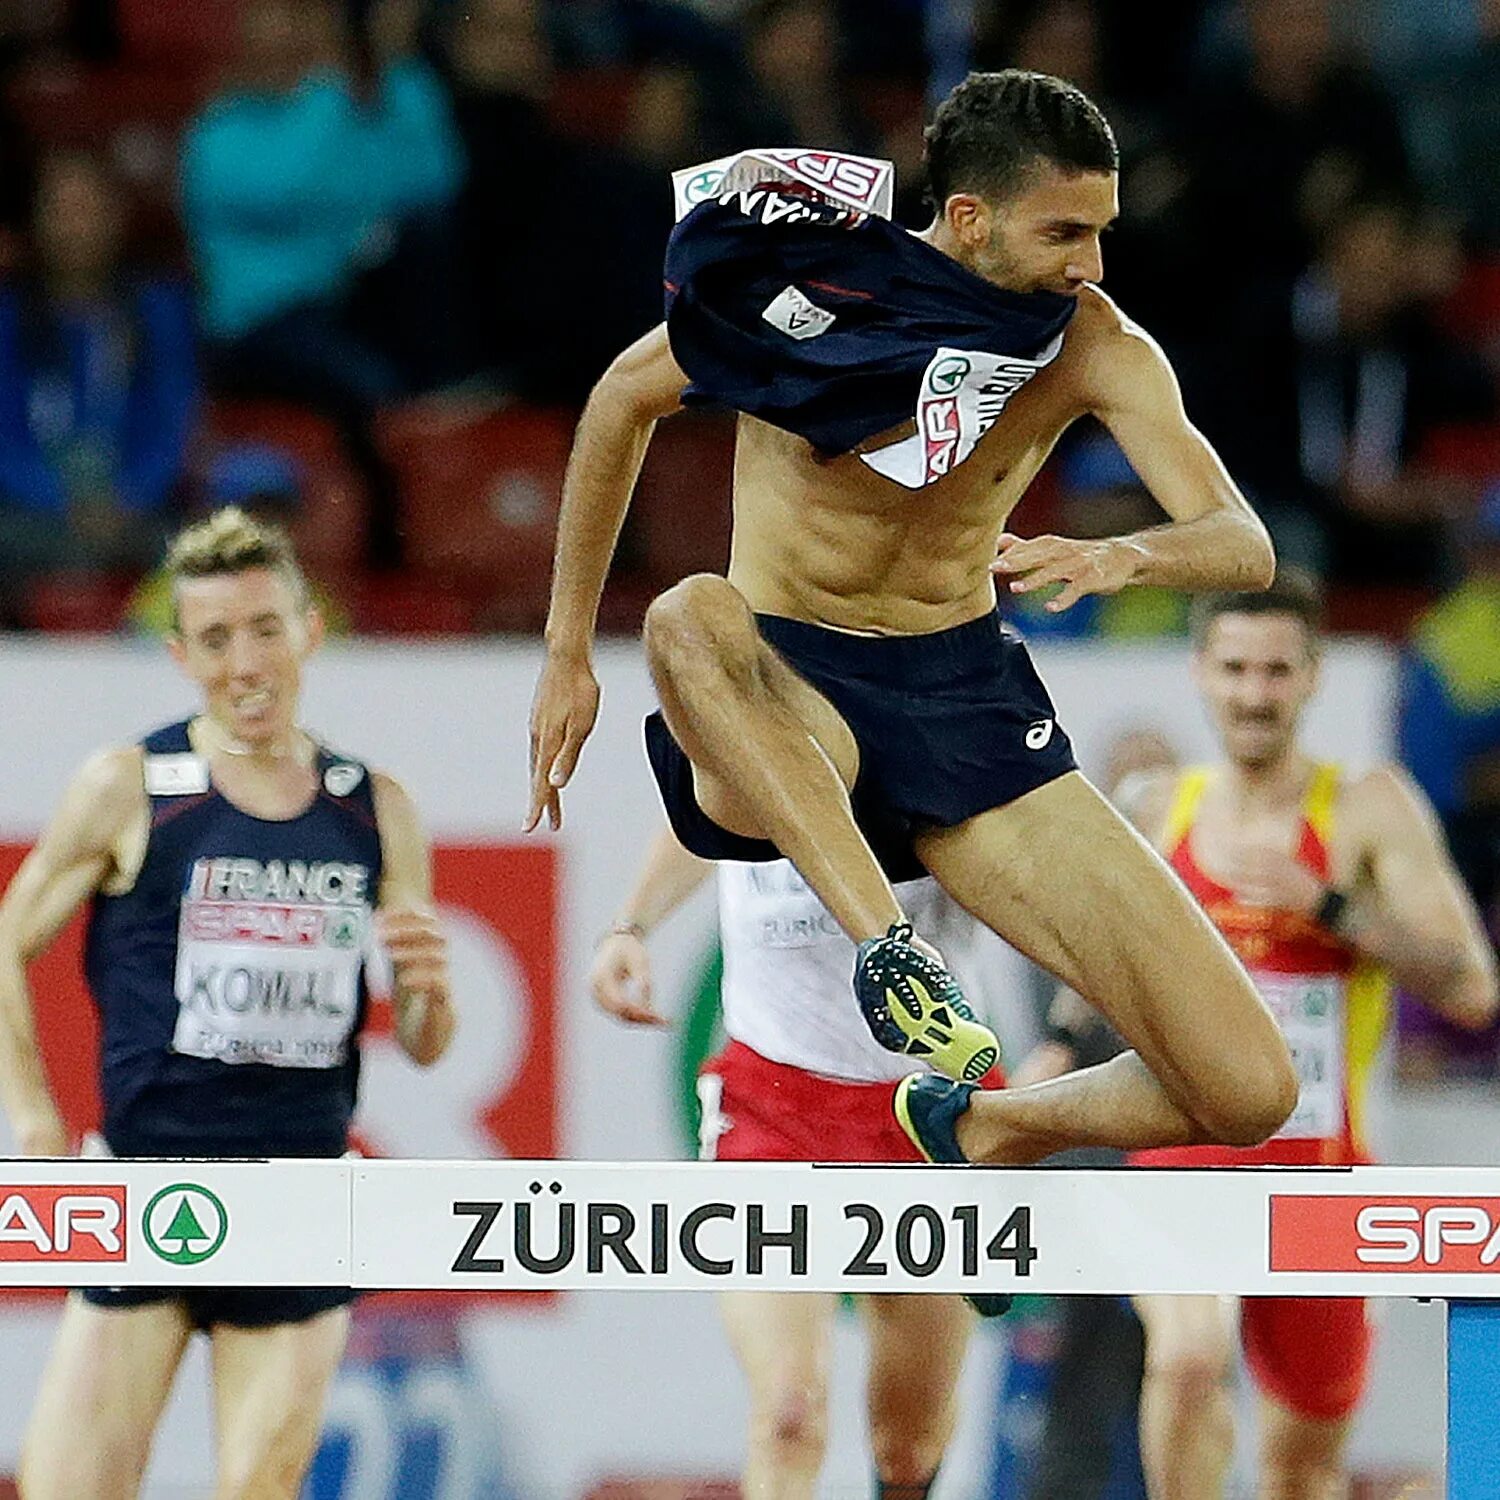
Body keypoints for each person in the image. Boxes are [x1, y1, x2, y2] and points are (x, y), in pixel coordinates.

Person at [530, 68, 1298, 1168]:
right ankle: (889, 950)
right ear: (970, 218)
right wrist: (566, 651)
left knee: (1248, 1089)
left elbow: (1244, 544)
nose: (1091, 263)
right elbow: (619, 400)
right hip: (789, 693)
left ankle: (982, 1124)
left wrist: (1117, 553)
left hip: (963, 701)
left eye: (1102, 231)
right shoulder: (815, 285)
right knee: (688, 615)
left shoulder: (1092, 341)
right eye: (1065, 232)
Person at [0, 507, 455, 1500]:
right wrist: (30, 1104)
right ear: (178, 653)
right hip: (149, 1189)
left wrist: (425, 990)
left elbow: (424, 1046)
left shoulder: (372, 805)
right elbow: (5, 937)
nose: (245, 662)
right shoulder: (133, 785)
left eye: (263, 630)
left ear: (310, 631)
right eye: (214, 639)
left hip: (301, 1198)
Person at [1104, 571, 1493, 1500]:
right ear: (1200, 672)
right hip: (1182, 1162)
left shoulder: (1364, 806)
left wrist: (1328, 905)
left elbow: (1473, 988)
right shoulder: (1161, 808)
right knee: (1189, 1363)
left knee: (1300, 1470)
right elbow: (1096, 972)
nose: (1254, 693)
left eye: (1277, 671)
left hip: (1320, 1170)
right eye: (1235, 668)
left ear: (1313, 677)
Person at [591, 825, 1005, 1499]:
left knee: (907, 1448)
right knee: (788, 1415)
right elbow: (699, 801)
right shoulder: (745, 721)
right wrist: (629, 924)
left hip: (931, 1107)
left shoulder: (942, 719)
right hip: (774, 1104)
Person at [0, 150, 197, 611]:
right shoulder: (8, 318)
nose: (75, 227)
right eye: (62, 211)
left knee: (200, 554)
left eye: (87, 209)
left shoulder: (158, 311)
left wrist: (130, 495)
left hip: (135, 511)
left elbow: (174, 421)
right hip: (33, 512)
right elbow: (3, 437)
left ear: (115, 217)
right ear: (38, 220)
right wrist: (58, 500)